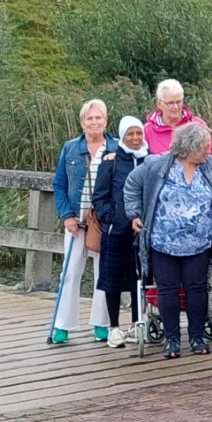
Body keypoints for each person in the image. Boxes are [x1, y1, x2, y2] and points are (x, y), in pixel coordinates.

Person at [125, 123, 212, 359]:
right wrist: (135, 214)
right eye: (205, 147)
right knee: (167, 290)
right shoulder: (157, 165)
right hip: (163, 242)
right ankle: (172, 341)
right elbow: (132, 184)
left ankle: (197, 337)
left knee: (196, 289)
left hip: (199, 243)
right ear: (189, 147)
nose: (209, 151)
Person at [50, 99, 117, 344]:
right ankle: (62, 326)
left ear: (106, 121)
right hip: (76, 223)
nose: (94, 122)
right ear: (82, 122)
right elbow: (59, 184)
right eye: (90, 118)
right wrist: (66, 215)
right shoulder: (70, 149)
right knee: (69, 273)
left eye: (99, 118)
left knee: (104, 272)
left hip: (104, 223)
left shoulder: (116, 148)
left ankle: (101, 323)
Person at [91, 115, 149, 348]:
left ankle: (136, 323)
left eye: (138, 133)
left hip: (142, 231)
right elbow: (100, 196)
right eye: (130, 134)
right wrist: (111, 218)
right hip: (116, 231)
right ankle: (114, 327)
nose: (135, 138)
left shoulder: (150, 160)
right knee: (112, 280)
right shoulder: (111, 161)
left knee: (139, 278)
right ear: (122, 136)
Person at [143, 78, 212, 156]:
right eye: (170, 103)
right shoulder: (147, 131)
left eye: (179, 102)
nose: (176, 107)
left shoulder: (198, 124)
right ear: (159, 104)